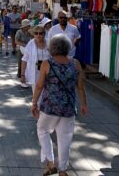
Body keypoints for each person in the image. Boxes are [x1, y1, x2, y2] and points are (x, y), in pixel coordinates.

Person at [31, 34, 87, 176]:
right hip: (68, 107)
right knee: (65, 137)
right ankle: (63, 170)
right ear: (68, 47)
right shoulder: (75, 63)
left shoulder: (47, 63)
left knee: (42, 130)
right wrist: (83, 103)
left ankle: (50, 161)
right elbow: (80, 86)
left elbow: (39, 86)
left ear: (52, 47)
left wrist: (34, 103)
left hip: (50, 106)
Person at [21, 25, 49, 89]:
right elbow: (24, 59)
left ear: (44, 34)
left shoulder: (49, 43)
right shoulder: (30, 44)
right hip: (35, 72)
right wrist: (22, 74)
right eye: (36, 33)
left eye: (41, 33)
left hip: (48, 72)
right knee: (37, 92)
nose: (38, 35)